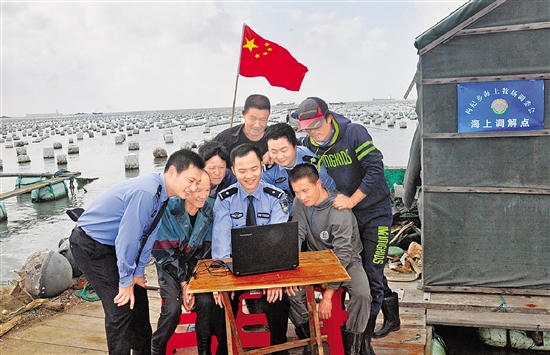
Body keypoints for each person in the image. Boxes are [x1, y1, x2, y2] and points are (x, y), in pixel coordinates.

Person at [69, 149, 205, 355]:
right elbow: (128, 238)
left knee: (139, 304)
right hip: (91, 245)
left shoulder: (162, 194)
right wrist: (125, 280)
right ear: (172, 172)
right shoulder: (147, 192)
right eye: (191, 181)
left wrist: (139, 272)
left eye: (197, 183)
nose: (194, 188)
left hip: (114, 245)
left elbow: (148, 234)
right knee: (121, 308)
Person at [296, 97, 400, 340]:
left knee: (372, 270)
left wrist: (353, 200)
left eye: (318, 126)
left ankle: (363, 339)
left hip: (376, 212)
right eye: (308, 128)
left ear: (330, 118)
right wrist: (269, 155)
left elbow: (375, 168)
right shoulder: (313, 143)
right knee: (365, 268)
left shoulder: (355, 133)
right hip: (349, 216)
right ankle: (393, 317)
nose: (314, 133)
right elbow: (291, 148)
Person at [209, 143, 291, 355]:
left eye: (254, 169)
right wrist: (223, 283)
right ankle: (224, 349)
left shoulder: (277, 196)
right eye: (242, 170)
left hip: (268, 266)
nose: (249, 176)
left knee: (279, 297)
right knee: (220, 300)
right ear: (233, 171)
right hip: (234, 267)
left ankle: (279, 347)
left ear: (261, 167)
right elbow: (221, 242)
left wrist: (274, 279)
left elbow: (278, 243)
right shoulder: (224, 199)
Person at [287, 164, 375, 355]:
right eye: (297, 192)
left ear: (318, 183)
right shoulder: (299, 203)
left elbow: (343, 253)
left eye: (305, 190)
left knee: (362, 294)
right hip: (315, 259)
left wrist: (329, 294)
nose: (302, 196)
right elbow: (296, 237)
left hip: (346, 260)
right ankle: (311, 338)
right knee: (291, 293)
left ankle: (353, 345)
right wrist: (290, 274)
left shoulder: (339, 209)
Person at [150, 171, 215, 355]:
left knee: (206, 302)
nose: (203, 195)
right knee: (171, 309)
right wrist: (184, 283)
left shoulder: (211, 208)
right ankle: (158, 345)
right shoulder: (168, 209)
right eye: (198, 190)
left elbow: (207, 250)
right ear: (188, 189)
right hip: (169, 266)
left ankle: (204, 351)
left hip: (198, 267)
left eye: (207, 190)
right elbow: (164, 252)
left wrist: (193, 282)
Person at [262, 122, 335, 215]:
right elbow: (268, 200)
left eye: (284, 150)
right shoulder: (268, 170)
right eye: (274, 151)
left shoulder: (313, 163)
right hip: (288, 210)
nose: (279, 156)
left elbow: (330, 191)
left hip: (318, 208)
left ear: (295, 146)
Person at [213, 94, 270, 161]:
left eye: (262, 119)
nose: (257, 125)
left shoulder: (276, 139)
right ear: (243, 114)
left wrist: (274, 154)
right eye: (252, 118)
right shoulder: (225, 138)